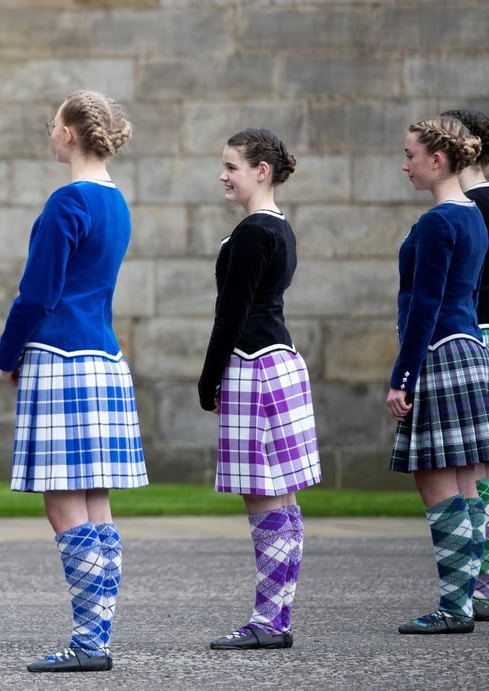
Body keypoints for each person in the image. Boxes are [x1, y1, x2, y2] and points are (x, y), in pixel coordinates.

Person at [0, 90, 147, 673]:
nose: (49, 128)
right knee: (96, 503)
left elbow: (37, 294)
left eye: (53, 121)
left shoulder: (67, 203)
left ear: (70, 134)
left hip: (59, 356)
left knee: (63, 504)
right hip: (104, 358)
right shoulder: (117, 202)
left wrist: (8, 354)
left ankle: (89, 644)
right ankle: (97, 637)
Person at [197, 128, 321, 651]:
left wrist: (209, 380)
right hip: (279, 361)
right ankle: (276, 617)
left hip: (254, 364)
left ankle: (270, 622)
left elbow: (232, 315)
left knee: (266, 498)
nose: (223, 175)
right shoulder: (278, 227)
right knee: (281, 498)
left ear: (261, 171)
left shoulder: (253, 232)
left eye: (232, 166)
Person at [388, 116, 489, 635]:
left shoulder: (435, 223)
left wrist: (401, 376)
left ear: (439, 160)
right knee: (468, 481)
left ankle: (454, 607)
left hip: (438, 355)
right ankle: (473, 595)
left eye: (411, 155)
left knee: (436, 478)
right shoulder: (472, 215)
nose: (404, 165)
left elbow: (423, 306)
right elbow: (467, 299)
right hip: (470, 351)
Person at [439, 109, 489, 622]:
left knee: (465, 471)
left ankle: (469, 592)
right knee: (478, 469)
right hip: (475, 338)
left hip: (465, 339)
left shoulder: (461, 210)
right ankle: (479, 587)